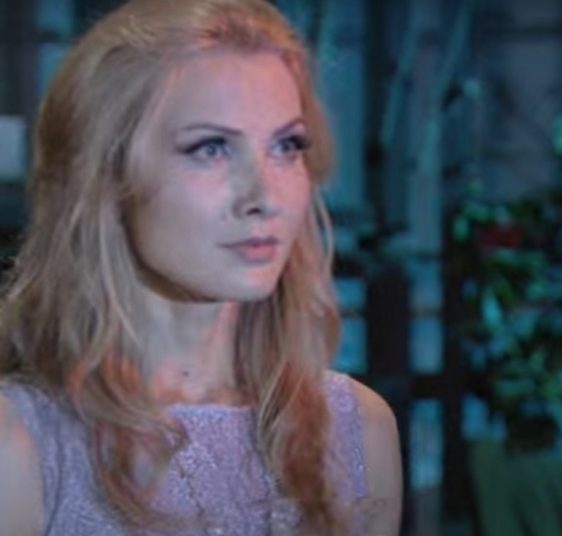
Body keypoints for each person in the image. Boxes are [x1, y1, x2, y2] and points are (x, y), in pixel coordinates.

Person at [0, 0, 402, 534]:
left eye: (287, 146)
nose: (265, 197)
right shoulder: (23, 445)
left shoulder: (357, 432)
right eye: (211, 148)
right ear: (106, 176)